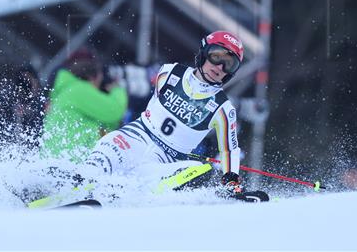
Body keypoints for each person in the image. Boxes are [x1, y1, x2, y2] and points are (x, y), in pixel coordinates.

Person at [83, 31, 250, 199]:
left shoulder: (223, 109)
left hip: (164, 161)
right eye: (217, 56)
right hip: (133, 138)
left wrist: (231, 181)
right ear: (204, 53)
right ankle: (76, 184)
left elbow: (230, 149)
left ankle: (124, 194)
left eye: (229, 64)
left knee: (197, 169)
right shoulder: (169, 72)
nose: (220, 67)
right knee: (105, 154)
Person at [39, 47, 128, 162]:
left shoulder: (65, 91)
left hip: (58, 163)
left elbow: (108, 125)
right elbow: (115, 111)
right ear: (92, 77)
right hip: (68, 164)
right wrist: (117, 89)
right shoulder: (79, 91)